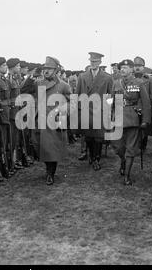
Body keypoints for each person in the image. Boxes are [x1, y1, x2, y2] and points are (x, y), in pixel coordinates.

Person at [111, 60, 151, 185]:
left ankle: (127, 175)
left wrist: (145, 120)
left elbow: (146, 103)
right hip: (118, 117)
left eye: (126, 67)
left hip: (132, 118)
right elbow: (111, 101)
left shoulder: (139, 83)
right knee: (117, 146)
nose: (122, 70)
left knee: (131, 147)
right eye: (121, 67)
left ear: (132, 69)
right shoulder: (116, 84)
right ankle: (123, 160)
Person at [33, 56, 71, 185]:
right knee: (38, 145)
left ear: (56, 70)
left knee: (51, 148)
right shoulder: (39, 83)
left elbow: (72, 102)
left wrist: (63, 110)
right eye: (45, 69)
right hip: (40, 120)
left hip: (54, 120)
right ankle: (48, 168)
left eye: (49, 69)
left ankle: (50, 173)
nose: (46, 71)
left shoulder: (63, 85)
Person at [76, 52, 113, 170]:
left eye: (96, 61)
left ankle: (96, 159)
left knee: (98, 137)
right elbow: (77, 94)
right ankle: (91, 156)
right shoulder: (82, 77)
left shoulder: (107, 77)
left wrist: (108, 112)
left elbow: (110, 96)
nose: (93, 63)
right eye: (91, 61)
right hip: (86, 110)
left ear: (100, 62)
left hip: (100, 111)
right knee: (88, 137)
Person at [133, 56, 152, 150]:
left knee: (145, 128)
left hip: (145, 108)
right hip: (133, 107)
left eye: (140, 65)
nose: (137, 67)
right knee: (133, 128)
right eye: (135, 65)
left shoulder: (149, 79)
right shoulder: (130, 78)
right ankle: (134, 145)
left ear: (143, 67)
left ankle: (143, 145)